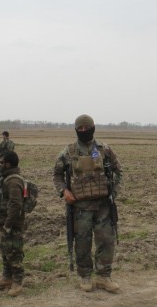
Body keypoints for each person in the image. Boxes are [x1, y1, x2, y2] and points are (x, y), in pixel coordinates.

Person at [52, 114, 122, 292]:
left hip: (103, 207)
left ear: (93, 128)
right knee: (82, 243)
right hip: (80, 208)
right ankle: (85, 277)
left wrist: (113, 193)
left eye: (86, 128)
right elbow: (57, 175)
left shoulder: (105, 150)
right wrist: (64, 191)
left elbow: (118, 171)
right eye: (80, 128)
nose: (83, 131)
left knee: (106, 241)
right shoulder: (68, 151)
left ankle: (103, 277)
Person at [0, 152, 26, 297]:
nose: (0, 164)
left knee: (14, 252)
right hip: (5, 222)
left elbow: (16, 204)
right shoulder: (6, 179)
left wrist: (8, 224)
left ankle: (17, 281)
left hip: (12, 224)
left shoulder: (13, 181)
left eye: (2, 162)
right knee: (6, 251)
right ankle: (7, 277)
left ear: (8, 164)